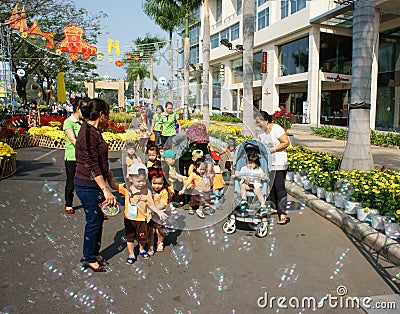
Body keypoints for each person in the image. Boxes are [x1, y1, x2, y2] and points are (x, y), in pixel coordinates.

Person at [74, 98, 115, 272]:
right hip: (87, 184)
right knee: (93, 221)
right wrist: (106, 189)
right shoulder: (88, 132)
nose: (108, 117)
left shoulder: (94, 131)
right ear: (100, 114)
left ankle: (94, 253)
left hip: (94, 184)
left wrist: (107, 174)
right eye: (107, 113)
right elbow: (90, 164)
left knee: (98, 220)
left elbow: (97, 159)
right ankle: (88, 258)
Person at [107, 164, 168, 264]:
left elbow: (151, 205)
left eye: (143, 181)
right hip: (129, 219)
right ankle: (131, 254)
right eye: (138, 181)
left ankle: (142, 249)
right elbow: (114, 186)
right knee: (130, 237)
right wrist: (109, 178)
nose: (141, 183)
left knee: (142, 237)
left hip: (142, 219)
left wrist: (159, 212)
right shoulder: (126, 188)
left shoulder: (147, 192)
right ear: (131, 179)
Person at [256, 111, 290, 225]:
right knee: (270, 187)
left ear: (266, 120)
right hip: (267, 164)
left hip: (279, 162)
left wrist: (271, 150)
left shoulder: (277, 129)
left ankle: (283, 214)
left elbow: (286, 142)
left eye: (259, 122)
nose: (258, 125)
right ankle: (275, 207)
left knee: (279, 187)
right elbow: (258, 144)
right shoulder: (261, 132)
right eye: (257, 123)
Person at [63, 97, 88, 215]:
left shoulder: (85, 123)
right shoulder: (68, 122)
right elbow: (73, 140)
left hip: (84, 157)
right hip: (72, 157)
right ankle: (68, 204)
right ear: (78, 109)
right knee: (71, 181)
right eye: (85, 108)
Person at [147, 167, 174, 255]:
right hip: (150, 215)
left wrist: (153, 209)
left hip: (161, 214)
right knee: (151, 231)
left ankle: (160, 242)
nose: (157, 186)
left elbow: (163, 204)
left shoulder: (164, 192)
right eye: (154, 183)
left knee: (160, 230)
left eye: (160, 183)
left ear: (164, 183)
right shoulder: (148, 190)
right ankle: (151, 246)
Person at [235, 152, 268, 217]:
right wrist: (238, 174)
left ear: (256, 163)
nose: (250, 165)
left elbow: (263, 175)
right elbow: (240, 175)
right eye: (248, 163)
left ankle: (263, 206)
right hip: (247, 184)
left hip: (256, 185)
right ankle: (244, 200)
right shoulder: (244, 168)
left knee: (257, 191)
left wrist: (262, 175)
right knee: (242, 186)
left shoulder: (258, 169)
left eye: (252, 163)